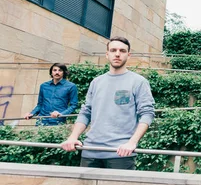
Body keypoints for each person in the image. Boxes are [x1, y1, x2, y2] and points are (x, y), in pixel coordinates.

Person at [60, 36, 155, 170]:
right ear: (107, 54)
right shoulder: (96, 82)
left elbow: (147, 114)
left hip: (121, 153)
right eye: (113, 50)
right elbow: (86, 112)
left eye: (122, 51)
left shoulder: (138, 82)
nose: (117, 54)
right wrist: (73, 137)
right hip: (90, 151)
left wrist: (132, 143)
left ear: (128, 55)